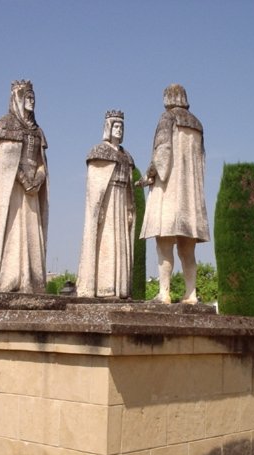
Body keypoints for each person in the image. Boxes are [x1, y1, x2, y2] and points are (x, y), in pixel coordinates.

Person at [138, 84, 209, 303]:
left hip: (170, 191)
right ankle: (191, 293)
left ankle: (164, 292)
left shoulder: (167, 118)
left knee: (164, 243)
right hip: (191, 196)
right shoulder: (197, 124)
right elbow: (202, 161)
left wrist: (148, 175)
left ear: (168, 97)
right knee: (188, 250)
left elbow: (163, 154)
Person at [0, 80, 48, 292]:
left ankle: (31, 278)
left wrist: (37, 179)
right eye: (28, 97)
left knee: (31, 231)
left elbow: (42, 162)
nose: (31, 101)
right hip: (15, 189)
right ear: (17, 98)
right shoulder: (6, 123)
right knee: (14, 227)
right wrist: (25, 181)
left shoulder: (38, 131)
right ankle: (11, 275)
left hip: (32, 191)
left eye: (33, 97)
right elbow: (7, 163)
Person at [77, 110, 135, 298]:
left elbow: (129, 188)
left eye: (121, 127)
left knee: (121, 244)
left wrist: (129, 207)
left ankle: (121, 288)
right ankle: (104, 287)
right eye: (116, 126)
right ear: (108, 128)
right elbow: (95, 189)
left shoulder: (127, 157)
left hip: (120, 200)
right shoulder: (99, 152)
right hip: (108, 202)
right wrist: (99, 209)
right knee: (107, 242)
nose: (119, 130)